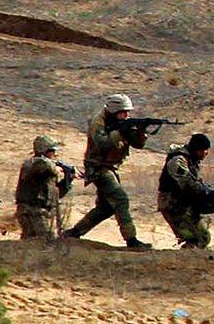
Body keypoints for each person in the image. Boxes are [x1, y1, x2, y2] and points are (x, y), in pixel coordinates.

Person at [64, 94, 151, 251]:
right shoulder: (98, 123)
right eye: (123, 112)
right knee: (120, 199)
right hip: (98, 168)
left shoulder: (120, 123)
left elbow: (138, 145)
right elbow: (102, 144)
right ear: (113, 110)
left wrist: (140, 131)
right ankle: (131, 240)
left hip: (110, 167)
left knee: (106, 208)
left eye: (128, 112)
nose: (127, 116)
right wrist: (120, 131)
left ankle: (73, 233)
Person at [158, 133, 214, 249]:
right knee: (195, 238)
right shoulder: (178, 160)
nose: (206, 153)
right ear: (197, 149)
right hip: (172, 204)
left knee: (203, 237)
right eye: (204, 150)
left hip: (182, 204)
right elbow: (187, 184)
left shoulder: (190, 160)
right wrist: (203, 191)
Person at [15, 135, 75, 239]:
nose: (55, 154)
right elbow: (42, 164)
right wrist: (56, 168)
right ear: (44, 151)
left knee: (34, 241)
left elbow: (57, 193)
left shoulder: (46, 170)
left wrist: (69, 178)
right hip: (31, 210)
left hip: (41, 211)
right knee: (45, 240)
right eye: (52, 151)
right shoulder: (35, 163)